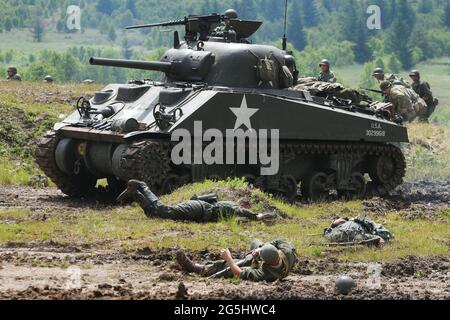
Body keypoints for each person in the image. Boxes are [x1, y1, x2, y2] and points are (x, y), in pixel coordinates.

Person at [117, 180, 274, 222]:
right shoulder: (232, 206)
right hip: (198, 209)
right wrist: (257, 216)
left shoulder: (226, 206)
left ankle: (135, 194)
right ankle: (143, 187)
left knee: (154, 214)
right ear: (243, 203)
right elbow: (242, 212)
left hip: (197, 208)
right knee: (164, 211)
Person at [176, 238, 297, 282]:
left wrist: (228, 258)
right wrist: (260, 249)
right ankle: (252, 254)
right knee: (255, 241)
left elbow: (239, 273)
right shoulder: (287, 252)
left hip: (267, 269)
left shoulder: (265, 274)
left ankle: (197, 268)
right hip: (270, 259)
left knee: (229, 268)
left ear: (264, 261)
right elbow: (278, 241)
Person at [324, 217, 394, 246]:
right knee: (378, 238)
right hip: (355, 235)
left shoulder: (331, 234)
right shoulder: (347, 222)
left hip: (338, 234)